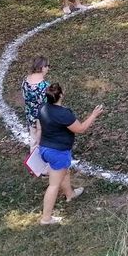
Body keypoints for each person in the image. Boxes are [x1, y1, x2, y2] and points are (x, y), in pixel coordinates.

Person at [33, 83, 106, 225]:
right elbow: (81, 128)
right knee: (53, 185)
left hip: (45, 148)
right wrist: (94, 115)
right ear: (60, 95)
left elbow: (39, 127)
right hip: (57, 153)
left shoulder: (43, 108)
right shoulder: (63, 114)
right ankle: (46, 219)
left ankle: (70, 194)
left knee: (64, 172)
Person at [23, 56, 50, 134]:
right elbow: (48, 105)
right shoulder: (45, 86)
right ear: (42, 67)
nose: (48, 68)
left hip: (30, 116)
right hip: (42, 120)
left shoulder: (25, 80)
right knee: (39, 141)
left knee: (33, 139)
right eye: (47, 66)